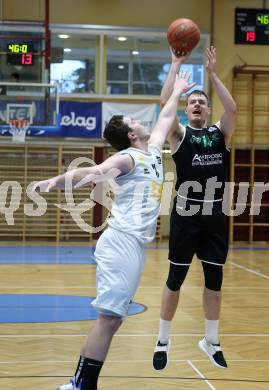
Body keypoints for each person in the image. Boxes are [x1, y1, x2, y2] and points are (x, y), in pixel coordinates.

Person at [32, 72, 195, 390]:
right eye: (134, 119)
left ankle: (80, 383)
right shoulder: (127, 159)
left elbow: (165, 116)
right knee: (109, 319)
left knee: (113, 319)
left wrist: (176, 82)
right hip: (120, 243)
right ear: (132, 135)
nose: (141, 120)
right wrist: (55, 181)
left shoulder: (154, 150)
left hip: (133, 246)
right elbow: (95, 172)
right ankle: (80, 384)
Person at [152, 46, 237, 370]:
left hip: (215, 214)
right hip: (186, 213)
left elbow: (233, 110)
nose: (197, 104)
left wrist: (213, 76)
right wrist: (175, 68)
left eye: (202, 101)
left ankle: (211, 341)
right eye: (193, 102)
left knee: (214, 279)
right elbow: (164, 106)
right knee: (175, 278)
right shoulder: (179, 135)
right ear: (187, 110)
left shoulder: (220, 134)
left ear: (208, 108)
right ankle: (163, 340)